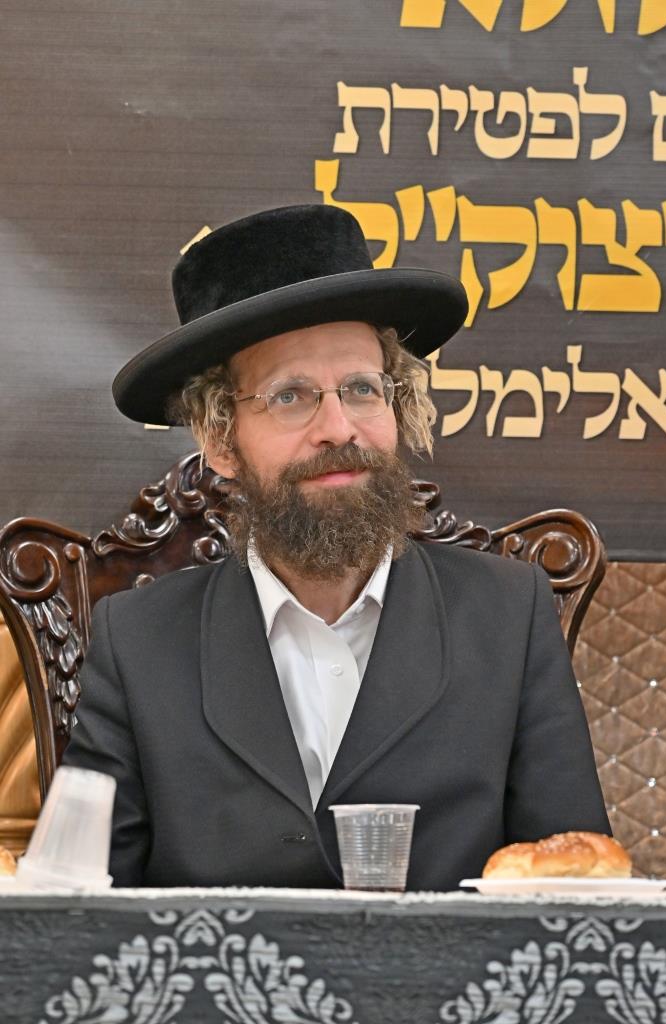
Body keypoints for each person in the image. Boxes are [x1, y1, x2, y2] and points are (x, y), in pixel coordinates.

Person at [63, 204, 610, 888]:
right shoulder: (139, 640)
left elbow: (577, 891)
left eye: (360, 389)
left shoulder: (507, 615)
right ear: (221, 440)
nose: (338, 427)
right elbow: (78, 911)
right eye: (290, 396)